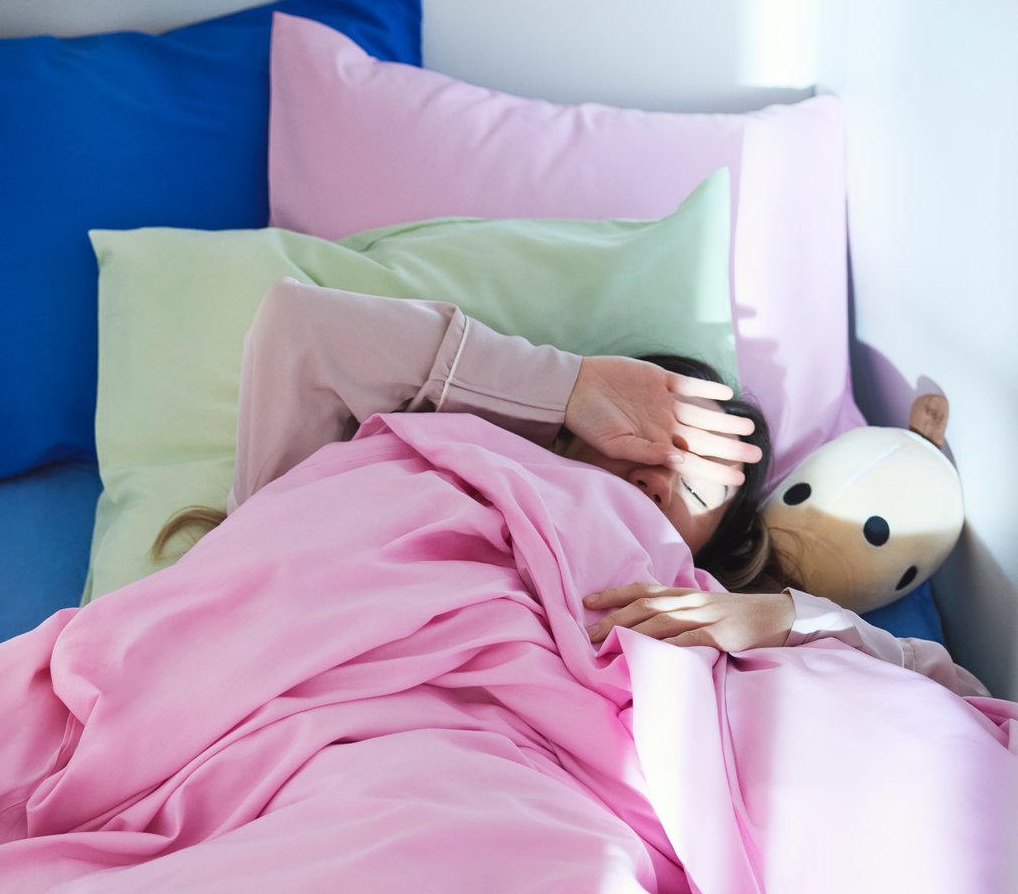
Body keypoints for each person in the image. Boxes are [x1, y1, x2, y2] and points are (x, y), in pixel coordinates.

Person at [154, 279, 985, 698]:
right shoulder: (421, 464)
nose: (654, 470)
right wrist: (568, 384)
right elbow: (302, 328)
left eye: (695, 476)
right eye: (654, 432)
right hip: (286, 702)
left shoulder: (690, 606)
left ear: (720, 541)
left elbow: (952, 692)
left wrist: (776, 617)